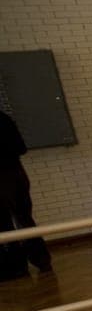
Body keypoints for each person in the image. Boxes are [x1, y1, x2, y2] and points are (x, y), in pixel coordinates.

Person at [0, 108, 52, 279]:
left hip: (5, 176)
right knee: (24, 219)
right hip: (17, 173)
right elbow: (21, 148)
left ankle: (18, 267)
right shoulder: (4, 118)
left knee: (8, 224)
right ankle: (41, 261)